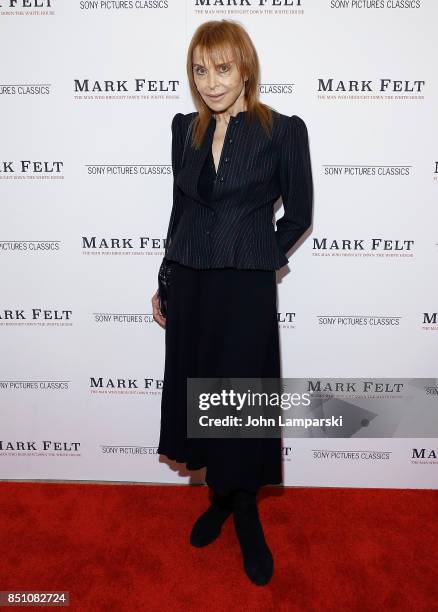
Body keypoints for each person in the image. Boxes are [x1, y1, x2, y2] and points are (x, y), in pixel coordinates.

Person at [151, 19, 313, 586]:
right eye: (200, 69)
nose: (211, 82)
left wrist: (253, 253)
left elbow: (298, 214)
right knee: (200, 390)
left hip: (244, 287)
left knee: (240, 400)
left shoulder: (282, 130)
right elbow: (179, 213)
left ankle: (244, 508)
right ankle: (219, 495)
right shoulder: (185, 130)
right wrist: (165, 280)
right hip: (191, 281)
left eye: (222, 68)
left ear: (244, 65)